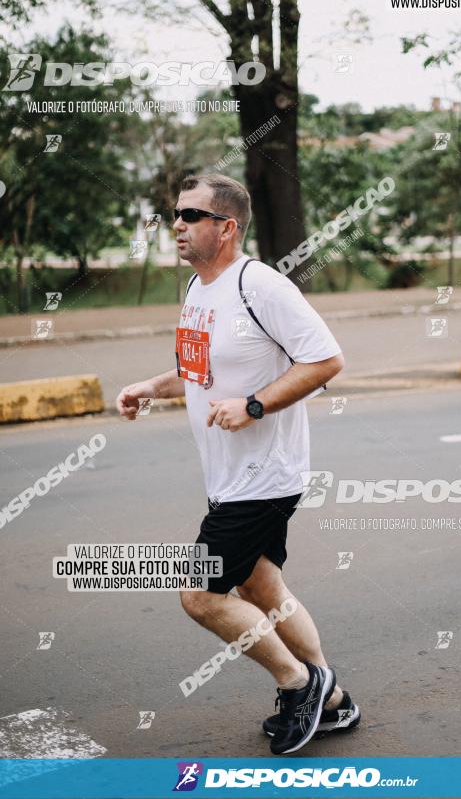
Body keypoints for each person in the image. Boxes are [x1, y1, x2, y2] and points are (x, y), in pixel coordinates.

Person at [116, 173, 360, 755]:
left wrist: (255, 406)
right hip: (227, 476)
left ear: (226, 227)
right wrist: (151, 386)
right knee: (261, 584)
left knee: (199, 593)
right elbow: (199, 373)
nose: (176, 223)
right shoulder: (199, 291)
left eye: (190, 215)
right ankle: (333, 701)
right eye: (175, 213)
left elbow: (326, 360)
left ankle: (299, 682)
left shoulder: (262, 286)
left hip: (265, 475)